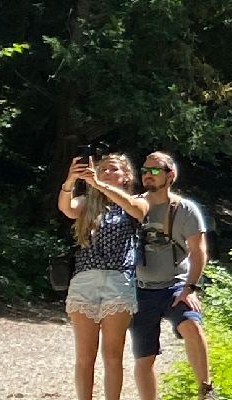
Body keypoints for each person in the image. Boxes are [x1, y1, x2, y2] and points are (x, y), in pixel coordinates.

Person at [56, 152, 149, 400]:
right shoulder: (87, 202)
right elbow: (66, 208)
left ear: (127, 175)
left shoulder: (137, 200)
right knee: (85, 356)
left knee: (112, 355)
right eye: (103, 169)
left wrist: (100, 184)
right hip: (85, 280)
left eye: (114, 170)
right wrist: (70, 180)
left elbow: (137, 211)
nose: (107, 173)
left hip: (119, 281)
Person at [129, 151, 215, 400]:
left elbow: (199, 252)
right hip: (141, 289)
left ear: (171, 175)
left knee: (192, 325)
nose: (147, 175)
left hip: (176, 285)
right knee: (144, 357)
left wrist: (190, 288)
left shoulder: (185, 210)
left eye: (155, 171)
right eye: (145, 170)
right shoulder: (134, 205)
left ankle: (205, 390)